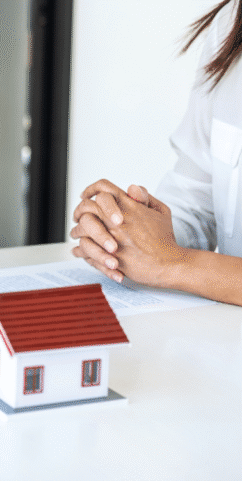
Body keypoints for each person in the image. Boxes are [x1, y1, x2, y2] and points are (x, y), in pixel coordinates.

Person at [70, 0, 242, 306]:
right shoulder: (230, 24)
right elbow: (197, 202)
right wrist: (126, 233)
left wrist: (172, 263)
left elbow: (169, 259)